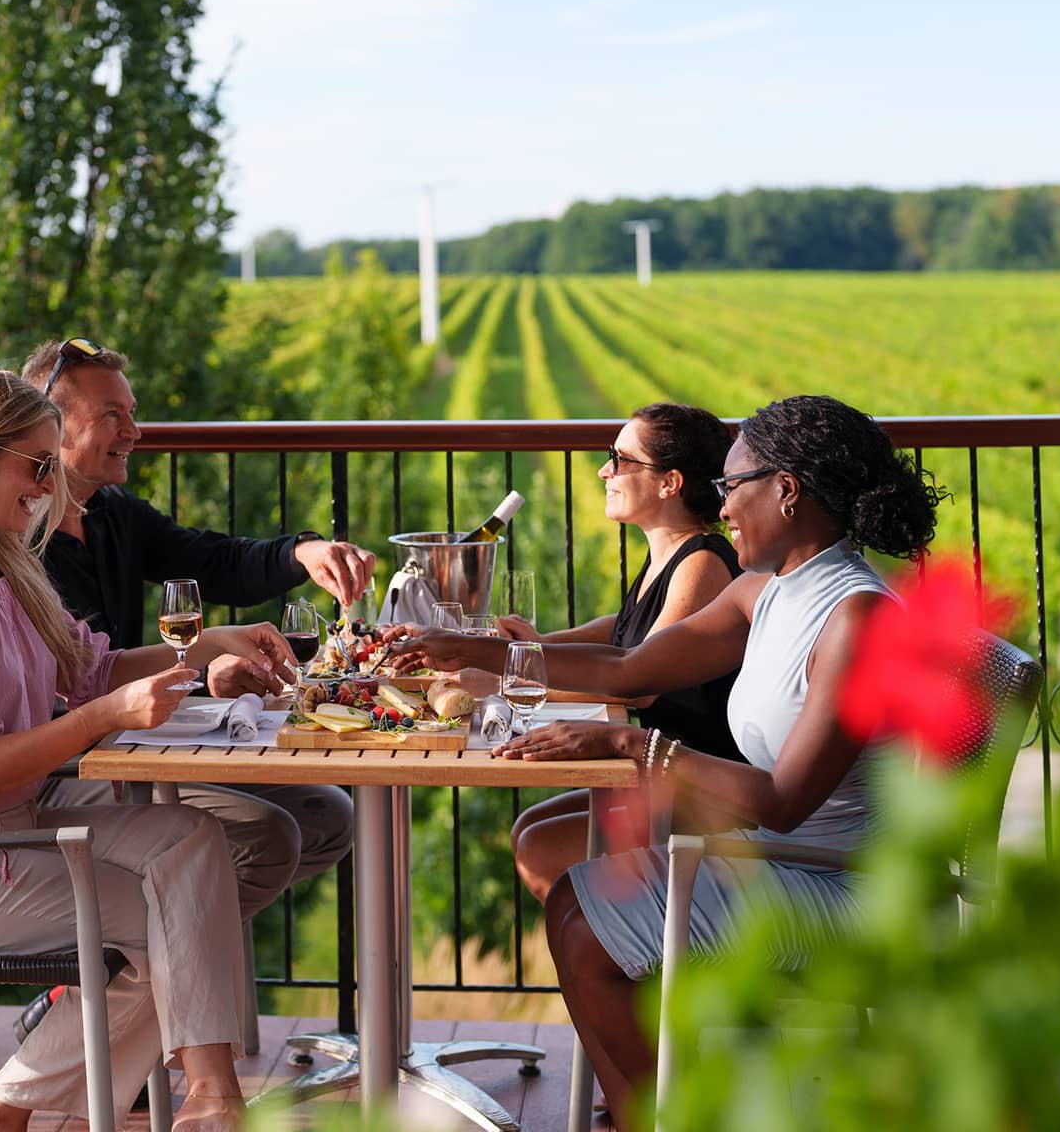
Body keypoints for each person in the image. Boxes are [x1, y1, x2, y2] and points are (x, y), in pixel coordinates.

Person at [394, 395, 941, 1125]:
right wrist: (468, 649)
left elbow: (784, 799)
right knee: (576, 905)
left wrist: (632, 744)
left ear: (786, 490)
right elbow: (629, 670)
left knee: (583, 917)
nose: (723, 506)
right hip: (777, 855)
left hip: (839, 884)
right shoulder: (767, 589)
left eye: (732, 486)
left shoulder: (856, 615)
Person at [0, 367, 292, 1131]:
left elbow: (89, 671)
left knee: (192, 846)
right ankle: (205, 1103)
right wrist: (104, 718)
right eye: (38, 465)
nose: (51, 486)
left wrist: (204, 645)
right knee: (173, 921)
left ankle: (13, 1105)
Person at [17, 337, 361, 1038]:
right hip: (72, 763)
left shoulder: (110, 512)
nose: (135, 433)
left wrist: (303, 551)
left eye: (132, 413)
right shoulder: (22, 541)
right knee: (265, 838)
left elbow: (212, 557)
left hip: (146, 739)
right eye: (114, 416)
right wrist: (206, 668)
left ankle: (119, 975)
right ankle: (105, 1001)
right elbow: (82, 677)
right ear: (54, 424)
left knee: (328, 815)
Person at [497, 403, 744, 903]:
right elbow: (625, 627)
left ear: (669, 482)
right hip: (658, 768)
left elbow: (641, 682)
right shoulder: (671, 554)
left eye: (620, 459)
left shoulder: (703, 564)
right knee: (529, 829)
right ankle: (616, 955)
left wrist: (513, 676)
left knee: (540, 848)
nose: (604, 470)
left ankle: (629, 960)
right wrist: (542, 646)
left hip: (705, 783)